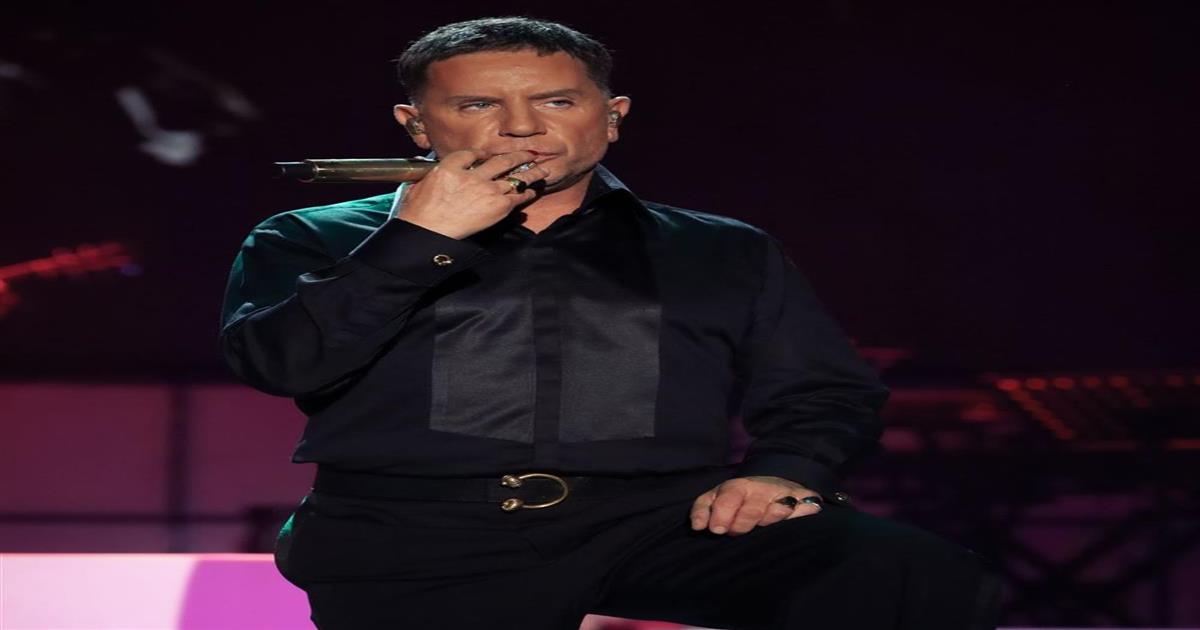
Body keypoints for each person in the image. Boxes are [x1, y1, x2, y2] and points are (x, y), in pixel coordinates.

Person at [219, 16, 1003, 630]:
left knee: (907, 572)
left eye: (557, 101)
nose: (521, 127)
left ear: (612, 115)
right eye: (478, 105)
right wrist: (420, 237)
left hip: (658, 517)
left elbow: (825, 389)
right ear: (417, 124)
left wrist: (786, 472)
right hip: (416, 528)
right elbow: (281, 363)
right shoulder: (312, 237)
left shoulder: (717, 248)